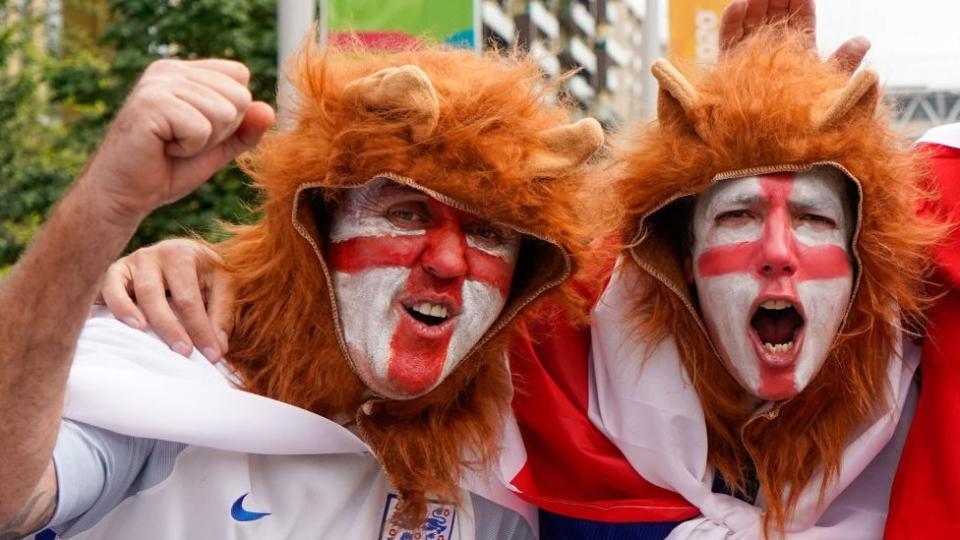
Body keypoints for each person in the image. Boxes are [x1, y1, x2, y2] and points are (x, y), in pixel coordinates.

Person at [0, 40, 605, 538]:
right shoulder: (179, 355)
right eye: (405, 214)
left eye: (490, 233)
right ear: (319, 224)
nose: (449, 261)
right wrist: (105, 210)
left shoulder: (504, 471)